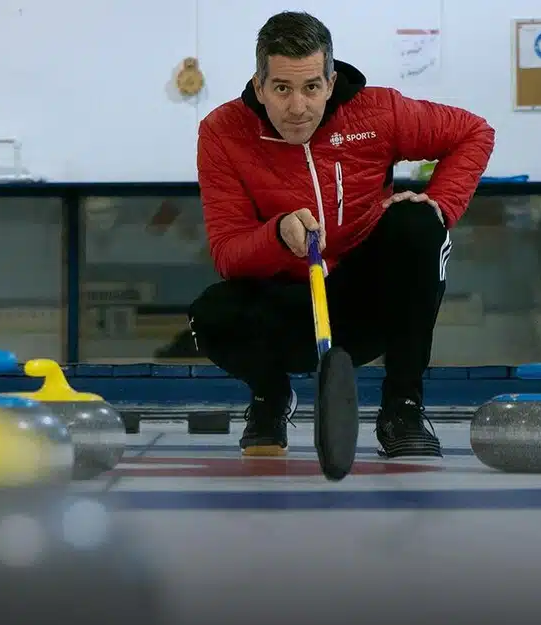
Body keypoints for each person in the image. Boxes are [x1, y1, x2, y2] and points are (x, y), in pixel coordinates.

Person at [189, 11, 494, 458]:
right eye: (281, 89)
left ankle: (402, 409)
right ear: (259, 87)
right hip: (286, 310)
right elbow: (228, 253)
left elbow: (473, 132)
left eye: (312, 87)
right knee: (210, 315)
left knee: (419, 223)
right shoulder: (222, 132)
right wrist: (277, 234)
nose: (297, 107)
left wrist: (441, 204)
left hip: (364, 306)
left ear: (331, 83)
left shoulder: (378, 111)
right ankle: (270, 397)